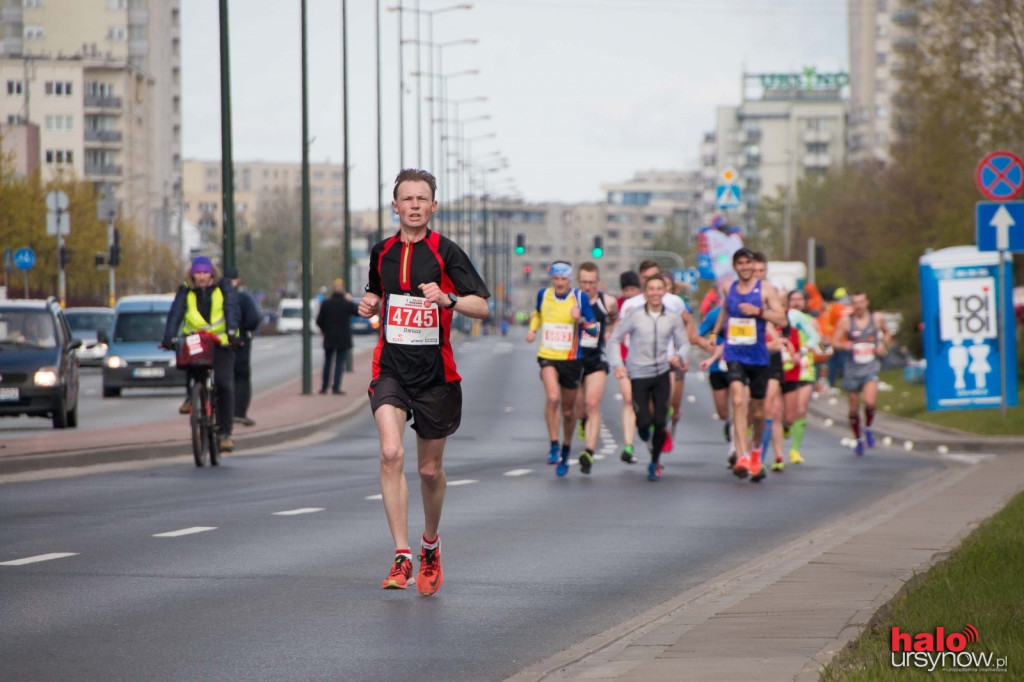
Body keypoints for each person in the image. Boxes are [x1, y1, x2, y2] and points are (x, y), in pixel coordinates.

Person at [359, 169, 490, 596]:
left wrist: (448, 298)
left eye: (422, 199)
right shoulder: (382, 252)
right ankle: (401, 555)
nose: (414, 205)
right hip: (391, 367)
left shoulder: (447, 252)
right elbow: (378, 292)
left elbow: (482, 307)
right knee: (390, 452)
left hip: (436, 374)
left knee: (429, 471)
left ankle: (430, 543)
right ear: (394, 207)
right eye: (406, 198)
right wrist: (370, 302)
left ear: (434, 207)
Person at [707, 247, 787, 481]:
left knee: (759, 411)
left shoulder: (765, 289)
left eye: (747, 263)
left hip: (758, 356)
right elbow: (724, 310)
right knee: (738, 400)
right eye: (739, 263)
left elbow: (782, 318)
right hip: (734, 353)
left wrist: (759, 312)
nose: (744, 267)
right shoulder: (729, 288)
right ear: (734, 267)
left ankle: (755, 451)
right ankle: (741, 455)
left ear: (753, 266)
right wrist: (714, 333)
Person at [608, 275, 690, 481]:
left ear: (664, 292)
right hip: (638, 373)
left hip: (662, 372)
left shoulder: (672, 317)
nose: (655, 293)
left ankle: (654, 462)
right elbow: (614, 340)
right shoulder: (634, 315)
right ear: (645, 292)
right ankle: (644, 431)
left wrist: (679, 357)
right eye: (651, 289)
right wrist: (617, 365)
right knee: (643, 420)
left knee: (661, 420)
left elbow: (685, 343)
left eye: (658, 289)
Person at [525, 260, 598, 476]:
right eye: (555, 279)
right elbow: (538, 314)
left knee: (568, 411)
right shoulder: (543, 295)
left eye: (563, 279)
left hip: (572, 359)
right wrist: (532, 330)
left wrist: (581, 319)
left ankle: (566, 448)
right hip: (548, 356)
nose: (559, 283)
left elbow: (593, 330)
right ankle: (554, 445)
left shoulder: (579, 298)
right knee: (553, 398)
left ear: (569, 279)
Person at [163, 255, 241, 452]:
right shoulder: (185, 290)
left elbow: (231, 308)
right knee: (191, 364)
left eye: (205, 272)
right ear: (192, 274)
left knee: (223, 384)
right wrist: (169, 336)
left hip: (222, 342)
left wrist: (232, 331)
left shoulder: (224, 287)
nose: (202, 277)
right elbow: (176, 313)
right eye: (198, 273)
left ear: (212, 273)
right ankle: (193, 396)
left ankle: (225, 434)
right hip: (197, 340)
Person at [572, 261, 618, 474]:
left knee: (592, 403)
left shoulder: (607, 302)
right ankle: (583, 421)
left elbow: (616, 320)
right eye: (584, 282)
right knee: (580, 408)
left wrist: (610, 332)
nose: (587, 286)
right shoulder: (571, 301)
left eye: (591, 282)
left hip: (596, 359)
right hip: (574, 359)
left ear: (598, 282)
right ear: (578, 282)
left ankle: (589, 452)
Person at [833, 291, 891, 456]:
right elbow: (835, 341)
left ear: (867, 302)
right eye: (855, 303)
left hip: (870, 367)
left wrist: (883, 345)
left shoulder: (877, 318)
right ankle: (858, 439)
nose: (858, 306)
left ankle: (868, 428)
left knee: (870, 402)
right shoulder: (846, 321)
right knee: (853, 409)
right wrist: (845, 345)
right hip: (852, 369)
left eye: (861, 302)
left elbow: (887, 333)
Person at [780, 289, 821, 467]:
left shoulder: (809, 320)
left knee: (801, 409)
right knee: (787, 412)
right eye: (793, 299)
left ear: (806, 302)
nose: (796, 302)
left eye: (800, 299)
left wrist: (803, 351)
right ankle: (786, 425)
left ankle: (795, 450)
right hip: (785, 367)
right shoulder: (783, 317)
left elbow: (816, 338)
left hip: (805, 368)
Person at [225, 267, 262, 427]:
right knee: (241, 379)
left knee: (222, 378)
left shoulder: (215, 297)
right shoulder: (243, 298)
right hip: (240, 345)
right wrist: (245, 328)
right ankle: (239, 413)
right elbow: (253, 319)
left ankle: (221, 412)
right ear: (238, 281)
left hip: (219, 344)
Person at [316, 278, 360, 395]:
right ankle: (336, 387)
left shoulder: (326, 304)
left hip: (329, 337)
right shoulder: (347, 304)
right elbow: (358, 311)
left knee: (327, 363)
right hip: (343, 338)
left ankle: (324, 387)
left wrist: (324, 330)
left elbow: (319, 320)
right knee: (339, 364)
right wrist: (351, 300)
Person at [615, 271, 642, 463]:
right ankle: (628, 446)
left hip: (647, 361)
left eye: (633, 289)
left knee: (646, 405)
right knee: (628, 399)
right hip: (625, 359)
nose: (630, 293)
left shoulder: (647, 302)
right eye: (626, 290)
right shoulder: (622, 305)